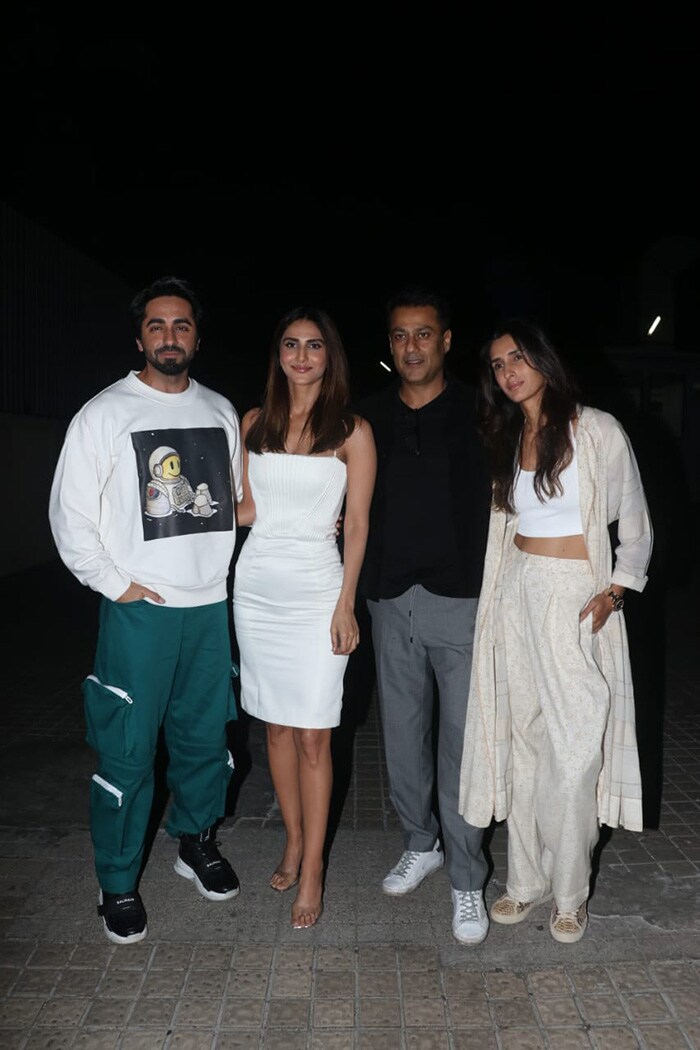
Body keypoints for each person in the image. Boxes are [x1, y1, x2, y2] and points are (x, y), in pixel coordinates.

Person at [48, 276, 243, 946]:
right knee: (128, 753)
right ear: (140, 338)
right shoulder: (104, 414)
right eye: (157, 326)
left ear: (196, 336)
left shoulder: (219, 410)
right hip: (141, 613)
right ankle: (118, 880)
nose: (169, 336)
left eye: (182, 325)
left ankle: (195, 841)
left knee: (204, 742)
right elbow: (70, 516)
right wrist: (115, 582)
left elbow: (232, 504)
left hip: (209, 609)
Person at [458, 318, 653, 943]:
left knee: (574, 751)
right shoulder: (510, 434)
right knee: (524, 740)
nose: (508, 371)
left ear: (544, 359)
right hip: (517, 591)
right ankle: (526, 880)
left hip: (574, 597)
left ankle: (571, 893)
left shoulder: (596, 429)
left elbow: (636, 522)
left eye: (518, 357)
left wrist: (616, 590)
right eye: (496, 363)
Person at [233, 305, 376, 929]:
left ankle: (313, 866)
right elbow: (242, 510)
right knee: (275, 731)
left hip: (319, 590)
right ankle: (291, 838)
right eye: (290, 344)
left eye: (314, 346)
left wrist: (346, 603)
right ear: (279, 355)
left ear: (329, 355)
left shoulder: (352, 430)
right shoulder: (253, 422)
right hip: (258, 587)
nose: (301, 356)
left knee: (315, 732)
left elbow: (360, 524)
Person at [358, 286, 492, 945]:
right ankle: (422, 843)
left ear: (445, 341)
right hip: (389, 598)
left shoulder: (482, 411)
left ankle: (468, 880)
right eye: (399, 335)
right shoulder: (367, 418)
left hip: (462, 600)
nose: (411, 345)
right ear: (390, 344)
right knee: (402, 739)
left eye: (423, 333)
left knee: (463, 744)